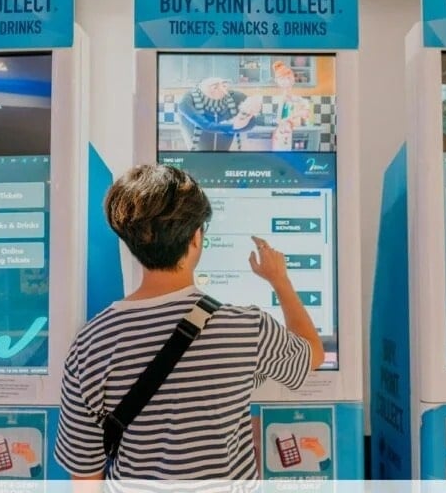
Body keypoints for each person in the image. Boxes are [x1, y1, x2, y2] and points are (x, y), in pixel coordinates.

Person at [55, 164, 324, 481]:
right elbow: (313, 355)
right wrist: (280, 281)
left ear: (131, 242)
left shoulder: (90, 343)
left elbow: (85, 474)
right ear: (196, 237)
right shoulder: (246, 327)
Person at [177, 77, 263, 151]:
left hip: (224, 158)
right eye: (215, 87)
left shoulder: (234, 97)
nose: (221, 89)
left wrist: (250, 112)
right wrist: (232, 126)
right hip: (196, 158)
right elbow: (206, 125)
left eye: (224, 85)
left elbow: (253, 121)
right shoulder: (187, 100)